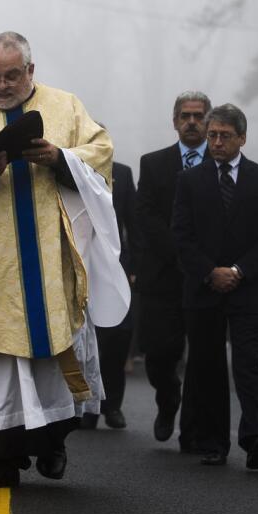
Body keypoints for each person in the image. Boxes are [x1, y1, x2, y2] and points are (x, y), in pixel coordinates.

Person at [0, 31, 129, 488]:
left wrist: (61, 158)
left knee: (46, 358)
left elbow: (101, 153)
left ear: (30, 72)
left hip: (47, 259)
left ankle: (51, 445)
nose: (1, 85)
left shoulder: (66, 107)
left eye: (11, 75)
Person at [170, 103, 258, 471]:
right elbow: (181, 235)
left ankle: (256, 436)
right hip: (204, 291)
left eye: (225, 136)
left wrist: (238, 270)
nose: (216, 142)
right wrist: (210, 272)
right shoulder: (190, 180)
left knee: (248, 364)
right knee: (208, 367)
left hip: (247, 289)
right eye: (213, 135)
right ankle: (213, 442)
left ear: (242, 138)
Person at [134, 90, 211, 449]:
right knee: (158, 354)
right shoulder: (153, 164)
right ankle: (168, 399)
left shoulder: (221, 163)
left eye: (198, 116)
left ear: (208, 120)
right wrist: (180, 253)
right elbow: (144, 215)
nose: (192, 122)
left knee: (202, 357)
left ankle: (194, 429)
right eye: (185, 115)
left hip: (205, 278)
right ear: (175, 121)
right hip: (162, 276)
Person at [85, 155, 137, 430]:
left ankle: (112, 405)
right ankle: (87, 406)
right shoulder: (66, 168)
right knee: (85, 339)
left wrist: (136, 267)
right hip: (80, 263)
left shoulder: (123, 174)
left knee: (118, 335)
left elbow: (134, 222)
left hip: (116, 265)